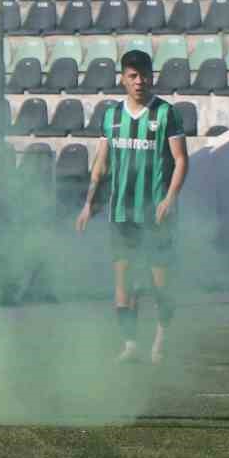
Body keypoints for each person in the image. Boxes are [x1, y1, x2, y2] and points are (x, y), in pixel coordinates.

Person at [76, 49, 189, 364]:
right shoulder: (111, 116)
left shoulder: (166, 114)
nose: (139, 82)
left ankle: (161, 342)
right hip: (121, 214)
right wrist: (89, 204)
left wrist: (169, 198)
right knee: (124, 284)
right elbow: (101, 164)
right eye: (132, 76)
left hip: (155, 214)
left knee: (159, 284)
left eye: (144, 75)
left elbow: (181, 161)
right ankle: (130, 345)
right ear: (123, 78)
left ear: (152, 76)